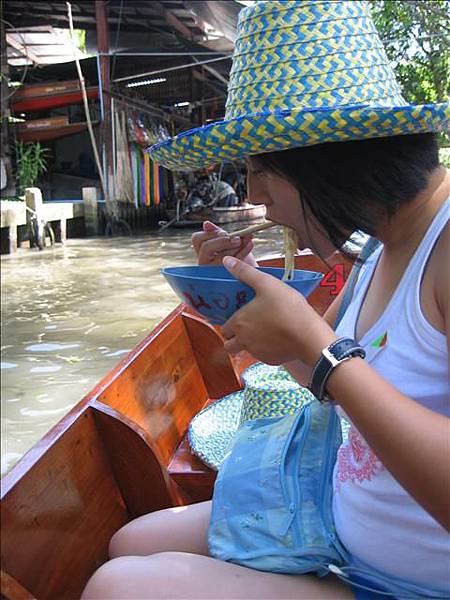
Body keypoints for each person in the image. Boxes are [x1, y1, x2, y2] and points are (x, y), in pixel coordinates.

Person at [82, 1, 449, 598]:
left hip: (404, 581)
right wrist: (245, 301)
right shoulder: (381, 247)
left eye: (261, 170)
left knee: (117, 585)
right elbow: (322, 377)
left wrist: (318, 345)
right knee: (132, 542)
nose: (255, 197)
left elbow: (332, 364)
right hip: (337, 519)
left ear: (329, 159)